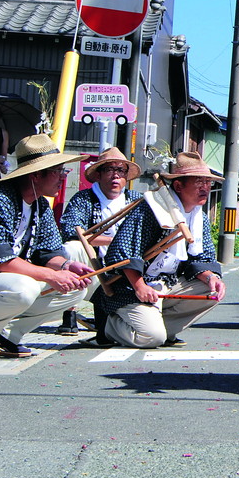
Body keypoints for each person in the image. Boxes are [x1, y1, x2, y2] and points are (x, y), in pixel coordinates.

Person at [0, 134, 92, 357]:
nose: (63, 178)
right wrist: (50, 276)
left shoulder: (40, 203)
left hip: (0, 281)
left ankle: (4, 336)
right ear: (36, 175)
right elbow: (0, 260)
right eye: (57, 171)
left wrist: (66, 266)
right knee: (24, 287)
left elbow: (48, 251)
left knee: (75, 290)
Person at [100, 152, 225, 349]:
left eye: (208, 182)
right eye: (199, 181)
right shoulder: (151, 208)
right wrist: (140, 286)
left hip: (167, 282)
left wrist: (211, 278)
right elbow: (123, 252)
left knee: (210, 290)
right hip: (132, 287)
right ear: (178, 186)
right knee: (152, 338)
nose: (205, 188)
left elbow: (200, 257)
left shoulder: (198, 215)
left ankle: (156, 325)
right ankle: (111, 325)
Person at [58, 147, 143, 343]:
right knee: (71, 248)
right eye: (109, 170)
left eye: (121, 170)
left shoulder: (137, 201)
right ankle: (69, 312)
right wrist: (117, 241)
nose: (115, 175)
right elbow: (71, 232)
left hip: (128, 267)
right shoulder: (83, 199)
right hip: (92, 267)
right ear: (99, 174)